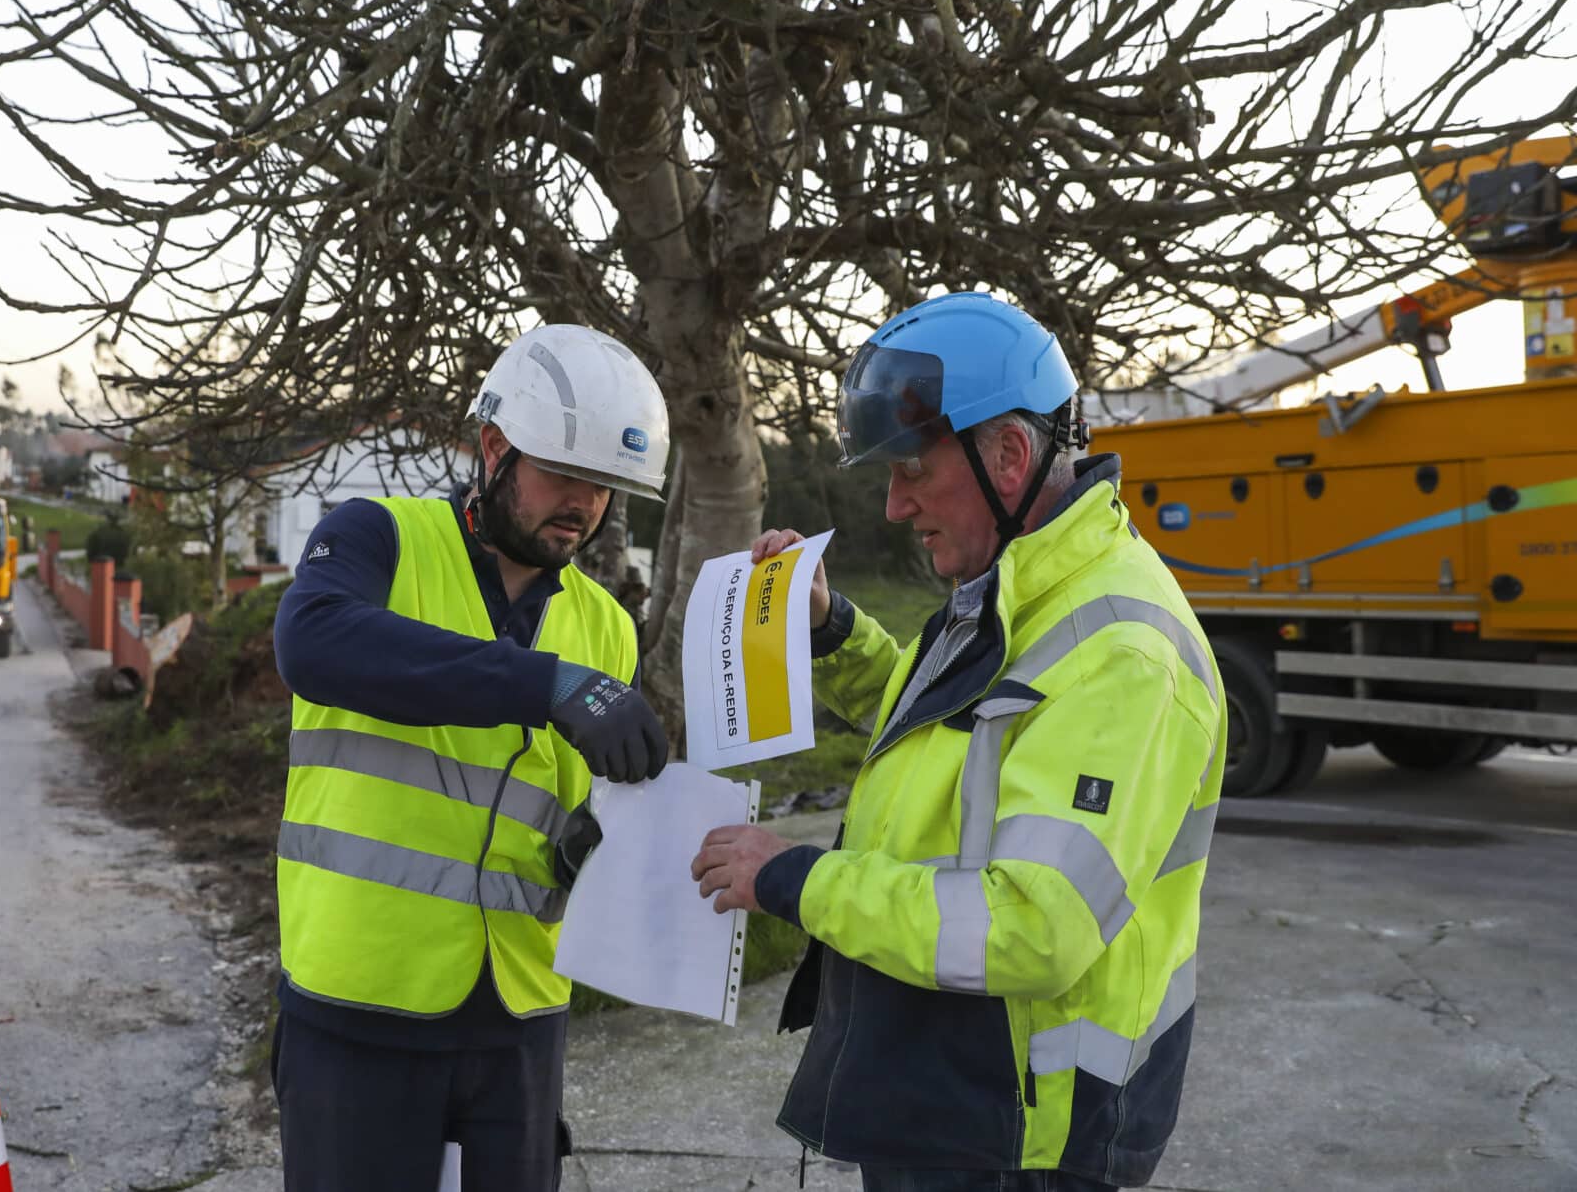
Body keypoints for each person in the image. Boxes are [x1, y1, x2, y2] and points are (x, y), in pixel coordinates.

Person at [691, 291, 1226, 1192]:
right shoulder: (1021, 582)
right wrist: (828, 628)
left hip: (1026, 1132)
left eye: (911, 471)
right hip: (950, 1090)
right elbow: (948, 724)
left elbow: (1033, 926)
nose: (895, 506)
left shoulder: (1123, 656)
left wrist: (795, 875)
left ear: (1009, 456)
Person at [270, 323, 673, 1191]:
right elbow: (314, 642)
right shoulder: (376, 538)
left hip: (521, 1015)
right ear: (494, 446)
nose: (585, 504)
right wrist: (545, 684)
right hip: (361, 1004)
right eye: (563, 473)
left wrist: (603, 844)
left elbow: (588, 803)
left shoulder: (607, 626)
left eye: (604, 486)